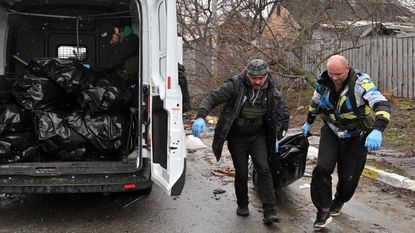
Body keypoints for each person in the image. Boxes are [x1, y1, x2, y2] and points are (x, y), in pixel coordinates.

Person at [191, 59, 290, 224]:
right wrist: (201, 116)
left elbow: (282, 113)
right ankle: (242, 204)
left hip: (258, 135)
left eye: (261, 78)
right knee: (242, 172)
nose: (257, 81)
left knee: (264, 168)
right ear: (247, 74)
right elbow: (213, 97)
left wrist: (278, 135)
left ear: (267, 75)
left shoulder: (271, 90)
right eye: (253, 78)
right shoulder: (235, 85)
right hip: (237, 136)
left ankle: (269, 211)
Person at [301, 55, 391, 228]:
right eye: (331, 73)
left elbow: (382, 104)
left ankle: (339, 200)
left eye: (338, 74)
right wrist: (309, 121)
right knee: (321, 168)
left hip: (355, 135)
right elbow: (315, 102)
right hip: (331, 131)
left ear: (348, 68)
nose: (334, 78)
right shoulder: (324, 81)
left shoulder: (361, 84)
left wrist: (378, 129)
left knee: (349, 177)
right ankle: (323, 210)